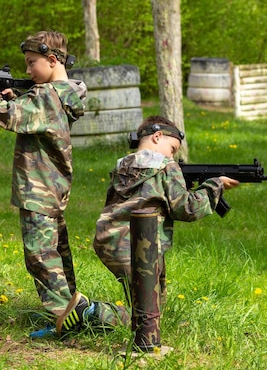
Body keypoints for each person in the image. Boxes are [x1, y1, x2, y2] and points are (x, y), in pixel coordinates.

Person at [0, 31, 126, 337]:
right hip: (51, 187)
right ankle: (72, 311)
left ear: (52, 60)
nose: (27, 70)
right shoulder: (61, 95)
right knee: (55, 255)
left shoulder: (47, 96)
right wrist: (16, 97)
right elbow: (31, 115)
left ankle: (73, 317)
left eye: (31, 62)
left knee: (40, 256)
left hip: (38, 188)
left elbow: (9, 116)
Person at [93, 115, 240, 306]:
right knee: (146, 317)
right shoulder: (166, 167)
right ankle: (88, 311)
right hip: (140, 245)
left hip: (111, 241)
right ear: (157, 136)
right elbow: (187, 208)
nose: (172, 156)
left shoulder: (123, 165)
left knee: (152, 307)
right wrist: (215, 186)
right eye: (172, 149)